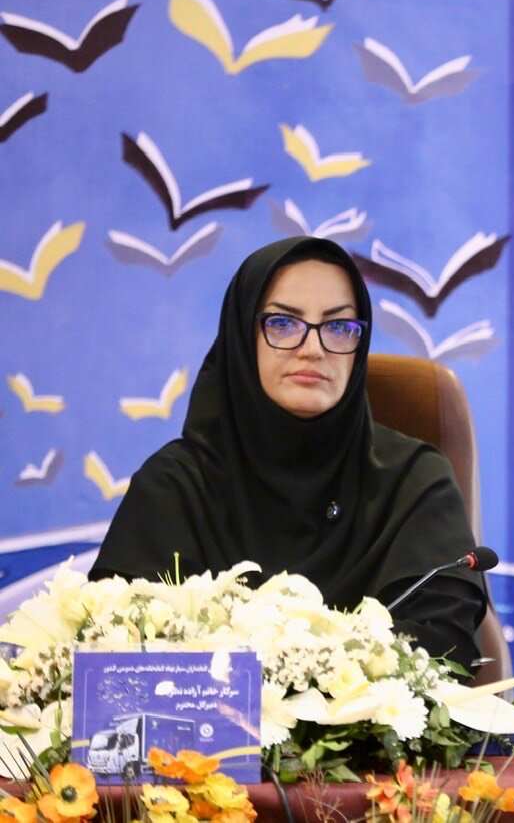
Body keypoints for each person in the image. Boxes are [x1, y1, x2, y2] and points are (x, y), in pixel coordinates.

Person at [91, 236, 486, 667]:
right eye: (283, 323)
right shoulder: (175, 487)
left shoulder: (415, 482)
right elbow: (119, 649)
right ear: (243, 337)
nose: (313, 348)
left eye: (338, 327)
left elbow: (443, 645)